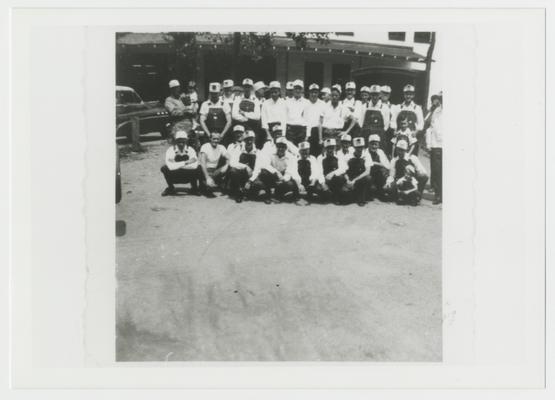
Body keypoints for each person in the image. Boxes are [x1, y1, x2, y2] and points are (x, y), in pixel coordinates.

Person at [247, 137, 300, 204]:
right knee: (264, 172)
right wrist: (276, 172)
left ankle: (279, 194)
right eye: (279, 146)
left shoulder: (291, 157)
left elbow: (289, 172)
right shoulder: (270, 154)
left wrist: (283, 179)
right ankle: (267, 195)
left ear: (286, 147)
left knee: (290, 184)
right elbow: (265, 165)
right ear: (276, 146)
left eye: (283, 147)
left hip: (283, 178)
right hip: (273, 176)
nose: (280, 149)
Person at [160, 131, 201, 196]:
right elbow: (170, 166)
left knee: (199, 168)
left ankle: (194, 188)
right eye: (179, 141)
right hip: (175, 175)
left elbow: (195, 166)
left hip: (188, 175)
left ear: (186, 141)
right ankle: (171, 188)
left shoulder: (190, 150)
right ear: (176, 141)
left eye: (183, 141)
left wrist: (176, 164)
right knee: (164, 168)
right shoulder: (170, 150)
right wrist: (186, 162)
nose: (181, 144)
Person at [390, 84, 424, 155]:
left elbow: (421, 123)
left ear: (413, 95)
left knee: (410, 157)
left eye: (410, 94)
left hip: (411, 136)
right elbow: (393, 121)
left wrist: (416, 132)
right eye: (406, 94)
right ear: (404, 95)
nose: (408, 96)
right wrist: (395, 130)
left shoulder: (417, 108)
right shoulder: (398, 107)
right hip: (400, 135)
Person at [228, 130, 258, 203]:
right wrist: (245, 167)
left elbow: (258, 168)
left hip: (253, 174)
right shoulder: (239, 148)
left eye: (251, 139)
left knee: (258, 186)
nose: (249, 141)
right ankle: (239, 191)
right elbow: (232, 163)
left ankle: (249, 190)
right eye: (247, 139)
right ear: (244, 140)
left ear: (254, 139)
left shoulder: (257, 150)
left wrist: (250, 181)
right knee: (233, 171)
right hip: (242, 173)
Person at [342, 137, 373, 206]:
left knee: (368, 178)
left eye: (361, 147)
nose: (359, 149)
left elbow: (368, 171)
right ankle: (354, 195)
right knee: (344, 196)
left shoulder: (367, 155)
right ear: (354, 147)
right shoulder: (348, 156)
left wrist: (355, 180)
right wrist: (348, 180)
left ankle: (361, 198)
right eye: (357, 147)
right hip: (350, 178)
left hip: (360, 179)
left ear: (363, 147)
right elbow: (343, 171)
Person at [232, 78, 262, 147]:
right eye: (245, 87)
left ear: (251, 88)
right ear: (243, 88)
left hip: (252, 127)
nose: (247, 89)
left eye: (249, 87)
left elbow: (257, 116)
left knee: (251, 145)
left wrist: (244, 113)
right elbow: (234, 114)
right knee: (239, 145)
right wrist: (244, 119)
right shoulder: (238, 99)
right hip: (240, 126)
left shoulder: (255, 100)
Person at [317, 138, 348, 204]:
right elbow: (319, 172)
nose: (330, 150)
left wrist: (333, 173)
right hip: (325, 180)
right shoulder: (320, 157)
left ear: (335, 147)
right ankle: (327, 195)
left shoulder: (339, 156)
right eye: (328, 148)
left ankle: (336, 196)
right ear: (325, 148)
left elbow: (343, 168)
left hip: (335, 180)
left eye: (332, 147)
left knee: (339, 178)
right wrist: (323, 184)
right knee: (318, 189)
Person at [425, 92, 443, 204]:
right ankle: (438, 195)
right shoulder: (436, 111)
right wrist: (429, 144)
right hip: (436, 145)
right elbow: (430, 128)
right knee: (436, 171)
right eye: (442, 98)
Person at [198, 132, 229, 197]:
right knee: (208, 187)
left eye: (217, 139)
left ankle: (224, 186)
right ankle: (204, 185)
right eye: (214, 139)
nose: (216, 141)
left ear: (220, 139)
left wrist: (227, 164)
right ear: (210, 139)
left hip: (214, 171)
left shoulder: (221, 147)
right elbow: (202, 163)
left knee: (229, 166)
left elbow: (228, 157)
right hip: (204, 170)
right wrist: (207, 177)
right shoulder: (205, 146)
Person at [260, 81, 287, 147]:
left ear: (279, 92)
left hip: (280, 130)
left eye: (276, 92)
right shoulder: (265, 103)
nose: (274, 94)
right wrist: (268, 134)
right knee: (269, 146)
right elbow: (264, 120)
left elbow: (284, 120)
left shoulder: (284, 103)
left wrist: (283, 135)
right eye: (272, 92)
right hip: (269, 129)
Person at [285, 79, 309, 146]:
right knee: (290, 150)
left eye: (299, 88)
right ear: (293, 89)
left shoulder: (306, 102)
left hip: (302, 131)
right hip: (290, 130)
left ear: (302, 90)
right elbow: (284, 118)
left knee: (301, 150)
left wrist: (307, 135)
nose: (298, 90)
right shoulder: (287, 102)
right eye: (296, 88)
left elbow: (308, 120)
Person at [304, 83, 326, 157]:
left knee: (318, 154)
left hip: (317, 132)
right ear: (309, 93)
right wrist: (306, 135)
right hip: (306, 131)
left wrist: (320, 138)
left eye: (315, 92)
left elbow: (321, 121)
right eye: (312, 92)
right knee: (307, 154)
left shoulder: (322, 104)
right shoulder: (305, 103)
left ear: (318, 93)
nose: (313, 94)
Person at [367, 134, 390, 199]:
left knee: (383, 171)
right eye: (372, 144)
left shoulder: (380, 152)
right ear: (368, 144)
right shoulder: (365, 152)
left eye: (376, 144)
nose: (374, 146)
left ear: (378, 145)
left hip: (378, 174)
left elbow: (387, 166)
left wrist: (376, 163)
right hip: (369, 173)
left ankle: (380, 191)